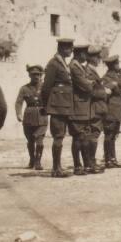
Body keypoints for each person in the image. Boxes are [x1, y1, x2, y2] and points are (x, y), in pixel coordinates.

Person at [41, 38, 74, 178]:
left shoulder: (63, 63)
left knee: (60, 136)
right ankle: (55, 168)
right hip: (57, 105)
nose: (71, 51)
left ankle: (58, 167)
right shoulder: (53, 64)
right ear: (61, 48)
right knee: (58, 136)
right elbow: (46, 87)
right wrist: (45, 105)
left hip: (64, 104)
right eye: (69, 48)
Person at [68, 44, 94, 176]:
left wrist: (90, 82)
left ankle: (87, 165)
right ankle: (77, 166)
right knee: (78, 137)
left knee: (84, 137)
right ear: (80, 54)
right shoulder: (74, 66)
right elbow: (86, 86)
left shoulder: (79, 66)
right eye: (85, 53)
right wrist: (92, 83)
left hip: (82, 106)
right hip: (77, 107)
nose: (87, 56)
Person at [15, 64, 47, 170]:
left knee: (40, 140)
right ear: (29, 75)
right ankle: (32, 160)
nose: (36, 76)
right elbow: (19, 102)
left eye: (38, 74)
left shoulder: (45, 87)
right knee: (30, 140)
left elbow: (51, 99)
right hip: (29, 117)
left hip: (42, 115)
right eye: (33, 75)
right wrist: (18, 114)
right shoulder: (24, 88)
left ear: (41, 75)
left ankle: (38, 161)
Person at [85, 46, 106, 174]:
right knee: (93, 135)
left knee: (94, 134)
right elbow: (91, 91)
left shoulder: (92, 71)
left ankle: (91, 162)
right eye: (97, 57)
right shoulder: (88, 71)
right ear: (90, 58)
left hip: (97, 107)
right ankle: (90, 163)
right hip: (93, 107)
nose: (99, 59)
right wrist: (105, 92)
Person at [101, 55, 121, 168]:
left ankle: (113, 158)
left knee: (114, 135)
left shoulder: (117, 77)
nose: (118, 65)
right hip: (110, 111)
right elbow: (105, 94)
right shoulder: (106, 78)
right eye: (117, 63)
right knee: (109, 135)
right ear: (112, 65)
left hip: (117, 111)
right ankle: (108, 159)